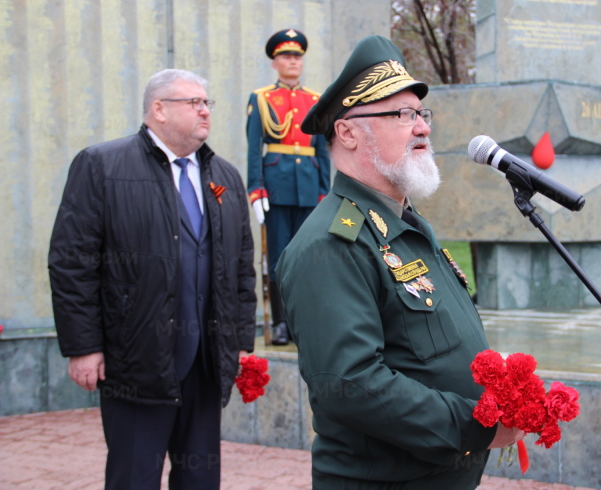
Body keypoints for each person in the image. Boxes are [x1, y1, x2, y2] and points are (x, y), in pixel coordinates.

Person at [275, 35, 524, 489]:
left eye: (421, 114)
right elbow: (350, 384)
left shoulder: (402, 224)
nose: (422, 127)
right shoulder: (332, 244)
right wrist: (476, 424)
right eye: (401, 115)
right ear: (348, 133)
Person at [48, 69, 257, 490]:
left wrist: (237, 343)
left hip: (204, 363)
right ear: (158, 110)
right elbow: (72, 262)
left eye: (207, 103)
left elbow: (241, 268)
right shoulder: (102, 165)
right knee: (134, 477)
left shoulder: (225, 177)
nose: (204, 111)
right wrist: (84, 347)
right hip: (136, 363)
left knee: (200, 478)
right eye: (193, 102)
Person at [246, 28, 331, 345]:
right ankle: (282, 323)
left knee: (308, 257)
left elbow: (322, 150)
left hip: (310, 188)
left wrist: (326, 191)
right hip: (276, 188)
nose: (292, 61)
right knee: (280, 258)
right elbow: (254, 148)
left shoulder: (316, 100)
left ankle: (303, 321)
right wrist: (255, 189)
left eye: (297, 56)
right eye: (286, 56)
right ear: (275, 63)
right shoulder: (262, 98)